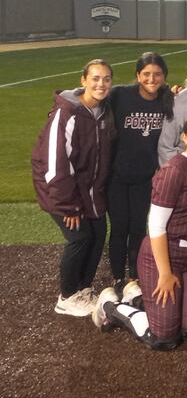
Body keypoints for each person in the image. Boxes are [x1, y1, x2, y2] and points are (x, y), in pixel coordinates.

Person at [94, 114, 187, 350]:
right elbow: (156, 226)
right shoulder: (174, 171)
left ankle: (137, 296)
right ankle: (111, 306)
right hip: (163, 256)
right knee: (164, 338)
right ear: (183, 138)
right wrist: (165, 273)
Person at [32, 59, 114, 316]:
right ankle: (67, 296)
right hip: (61, 190)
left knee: (99, 233)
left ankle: (83, 289)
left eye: (106, 79)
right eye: (95, 78)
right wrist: (68, 206)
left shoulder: (103, 111)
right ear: (83, 81)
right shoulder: (66, 113)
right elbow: (56, 164)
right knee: (79, 237)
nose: (101, 84)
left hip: (89, 191)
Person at [107, 52, 173, 294]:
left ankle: (134, 276)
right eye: (146, 74)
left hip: (145, 177)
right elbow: (86, 98)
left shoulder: (168, 99)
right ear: (137, 76)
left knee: (137, 227)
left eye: (157, 74)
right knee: (119, 227)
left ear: (164, 77)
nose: (151, 78)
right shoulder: (120, 95)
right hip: (116, 175)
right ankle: (117, 277)